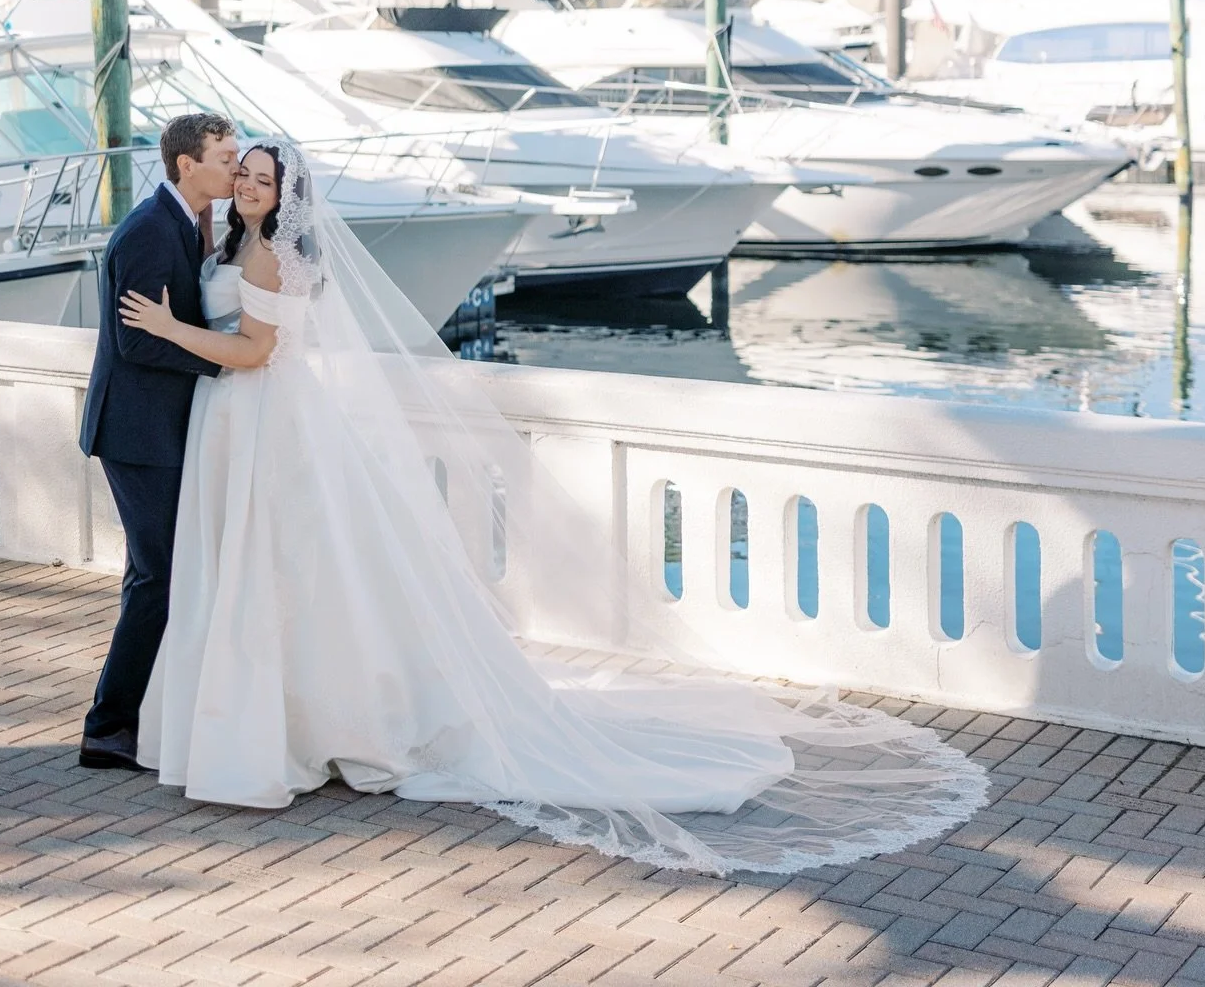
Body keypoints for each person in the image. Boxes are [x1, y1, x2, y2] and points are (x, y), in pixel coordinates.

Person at [116, 137, 989, 876]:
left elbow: (257, 351)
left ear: (287, 193)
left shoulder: (271, 252)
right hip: (242, 429)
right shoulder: (234, 242)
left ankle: (300, 727)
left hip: (267, 418)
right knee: (267, 571)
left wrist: (165, 331)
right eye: (244, 174)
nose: (248, 185)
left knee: (284, 570)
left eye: (263, 178)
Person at [78, 111, 266, 771]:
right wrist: (226, 361)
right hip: (136, 431)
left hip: (163, 427)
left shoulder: (191, 222)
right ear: (187, 164)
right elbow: (136, 340)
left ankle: (144, 713)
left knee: (159, 572)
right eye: (225, 156)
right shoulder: (151, 232)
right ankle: (108, 728)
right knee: (159, 576)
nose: (235, 167)